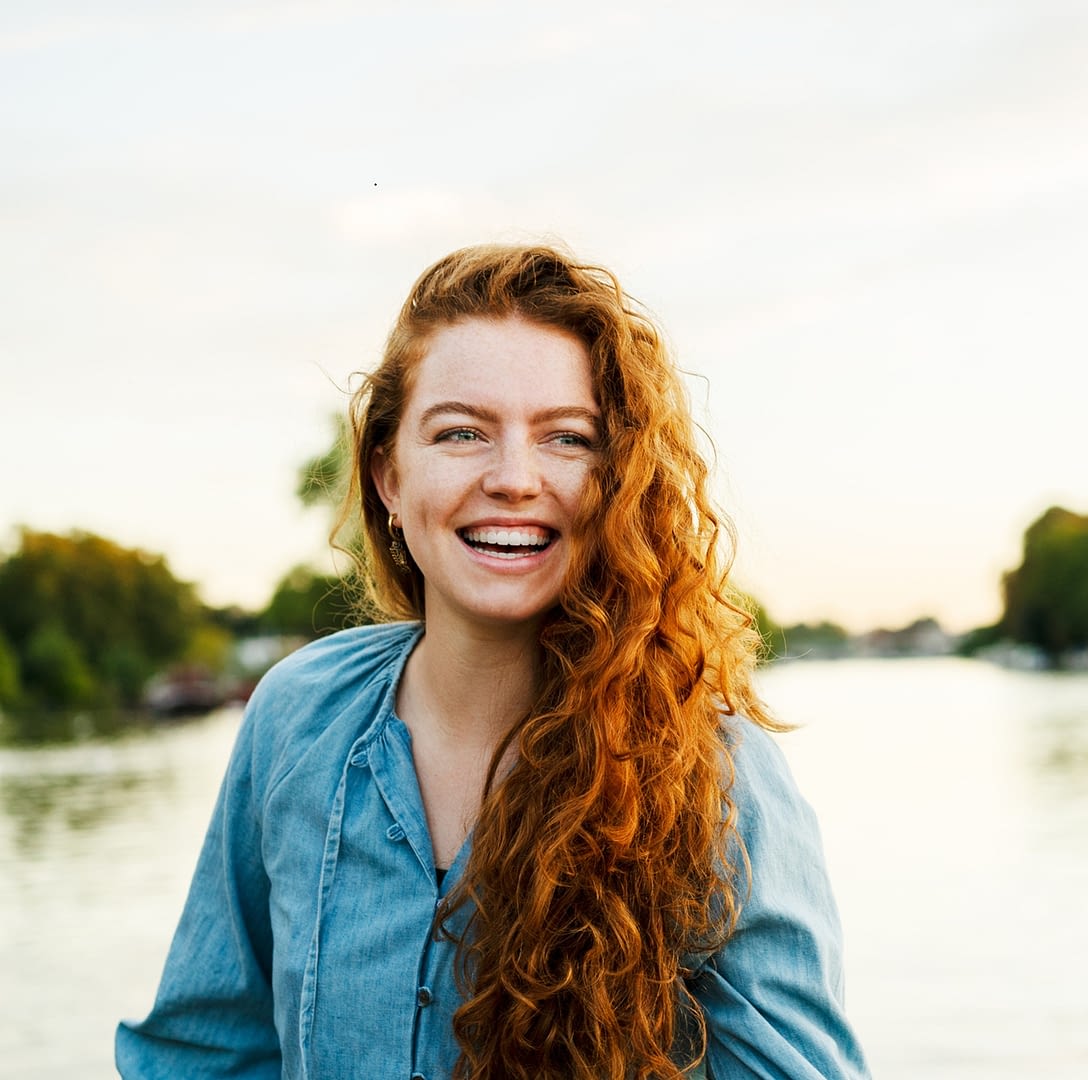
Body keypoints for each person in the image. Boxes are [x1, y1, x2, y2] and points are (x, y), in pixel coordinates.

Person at [116, 244, 867, 1079]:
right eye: (462, 433)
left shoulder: (719, 778)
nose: (514, 478)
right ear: (388, 477)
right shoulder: (297, 717)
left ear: (618, 481)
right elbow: (204, 1055)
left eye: (567, 438)